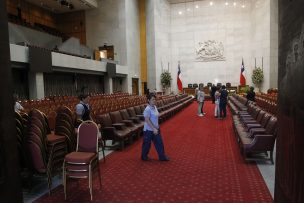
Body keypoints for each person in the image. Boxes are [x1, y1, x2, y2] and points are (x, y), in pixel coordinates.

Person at [141, 93, 169, 161]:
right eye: (152, 99)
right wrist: (153, 129)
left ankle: (162, 157)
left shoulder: (155, 107)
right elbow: (147, 120)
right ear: (148, 100)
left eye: (155, 99)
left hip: (156, 129)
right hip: (148, 130)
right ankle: (144, 156)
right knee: (147, 145)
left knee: (159, 143)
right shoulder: (147, 109)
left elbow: (156, 117)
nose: (154, 101)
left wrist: (157, 127)